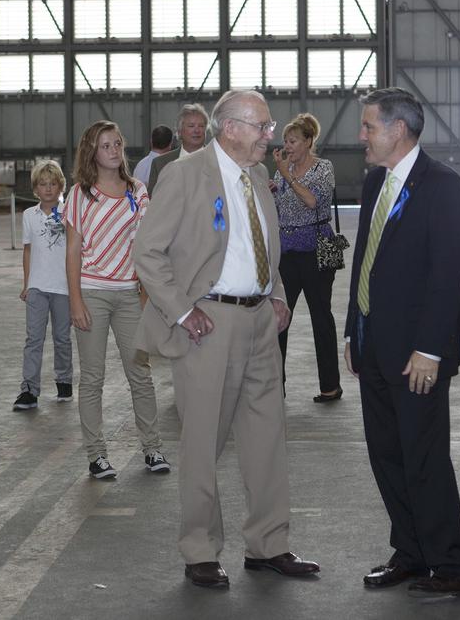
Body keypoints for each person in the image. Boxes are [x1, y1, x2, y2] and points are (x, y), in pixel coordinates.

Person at [133, 90, 320, 590]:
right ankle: (199, 549)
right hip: (209, 323)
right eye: (262, 126)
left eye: (269, 126)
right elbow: (147, 252)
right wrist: (181, 310)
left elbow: (264, 242)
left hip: (260, 321)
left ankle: (269, 543)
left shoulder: (258, 175)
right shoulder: (184, 174)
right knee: (203, 440)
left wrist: (276, 292)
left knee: (267, 436)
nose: (270, 135)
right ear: (230, 128)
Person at [343, 87, 460, 597]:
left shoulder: (441, 185)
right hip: (375, 343)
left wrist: (430, 348)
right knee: (387, 453)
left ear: (398, 130)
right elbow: (365, 260)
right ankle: (411, 552)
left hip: (419, 352)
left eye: (369, 126)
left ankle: (453, 566)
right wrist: (355, 329)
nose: (362, 135)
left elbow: (447, 273)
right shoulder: (377, 180)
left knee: (423, 457)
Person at [62, 120, 169, 479]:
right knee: (92, 378)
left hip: (128, 293)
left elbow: (147, 245)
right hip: (92, 293)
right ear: (91, 151)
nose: (113, 150)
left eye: (117, 144)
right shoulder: (79, 194)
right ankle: (97, 456)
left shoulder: (137, 191)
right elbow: (73, 250)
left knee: (140, 373)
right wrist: (75, 300)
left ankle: (153, 449)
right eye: (105, 145)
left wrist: (145, 294)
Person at [271, 113, 341, 402]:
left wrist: (287, 175)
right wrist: (272, 190)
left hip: (315, 251)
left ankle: (330, 385)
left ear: (309, 142)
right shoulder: (281, 170)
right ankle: (276, 385)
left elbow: (312, 201)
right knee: (278, 319)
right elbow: (280, 207)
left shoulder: (323, 168)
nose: (288, 146)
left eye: (294, 141)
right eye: (286, 141)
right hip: (286, 253)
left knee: (320, 317)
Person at [15, 160, 73, 410]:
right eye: (43, 184)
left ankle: (64, 381)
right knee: (33, 339)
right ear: (35, 189)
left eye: (53, 184)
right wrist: (27, 284)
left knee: (62, 338)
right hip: (37, 287)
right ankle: (29, 389)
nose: (48, 188)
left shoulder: (69, 213)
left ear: (61, 186)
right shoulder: (29, 216)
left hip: (64, 287)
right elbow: (27, 251)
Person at [147, 103, 209, 194]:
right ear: (179, 132)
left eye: (201, 126)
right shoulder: (160, 164)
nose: (197, 130)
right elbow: (153, 202)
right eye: (191, 126)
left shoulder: (219, 161)